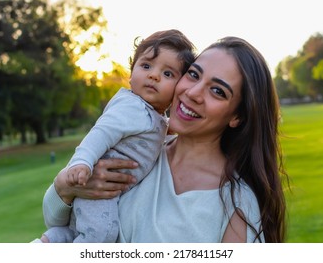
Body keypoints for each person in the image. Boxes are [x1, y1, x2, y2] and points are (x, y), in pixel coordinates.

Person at [42, 36, 289, 243]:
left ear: (237, 116)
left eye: (217, 91)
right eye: (193, 75)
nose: (192, 93)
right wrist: (65, 187)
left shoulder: (237, 206)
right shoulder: (136, 152)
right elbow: (59, 222)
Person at [33, 29, 196, 243]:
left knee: (82, 231)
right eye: (146, 66)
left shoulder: (152, 116)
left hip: (110, 196)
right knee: (103, 235)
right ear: (131, 74)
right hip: (98, 187)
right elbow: (101, 133)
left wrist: (167, 128)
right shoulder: (132, 107)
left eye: (168, 74)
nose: (154, 75)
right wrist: (82, 163)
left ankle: (53, 241)